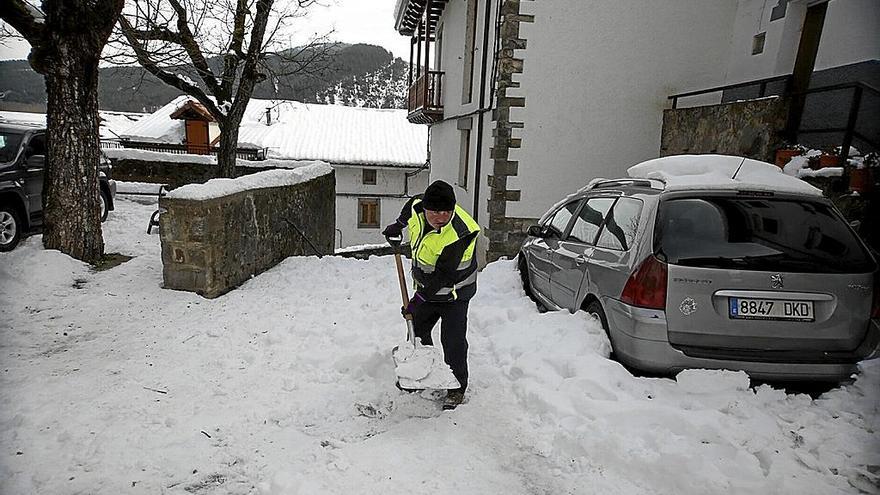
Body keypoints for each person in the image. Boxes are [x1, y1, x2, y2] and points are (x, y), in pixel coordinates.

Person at [382, 180, 481, 409]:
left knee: (453, 341)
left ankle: (456, 387)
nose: (441, 217)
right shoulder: (417, 207)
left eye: (446, 211)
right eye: (435, 211)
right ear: (425, 208)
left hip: (456, 293)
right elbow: (410, 207)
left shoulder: (462, 232)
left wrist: (416, 301)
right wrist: (398, 225)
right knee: (416, 331)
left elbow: (443, 276)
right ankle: (419, 373)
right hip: (428, 288)